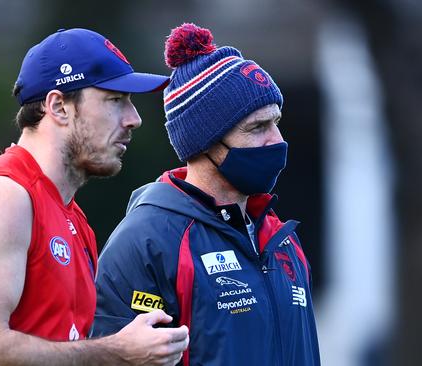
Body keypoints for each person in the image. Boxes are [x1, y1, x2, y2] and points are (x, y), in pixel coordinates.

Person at [0, 28, 189, 366]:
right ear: (59, 107)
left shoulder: (73, 218)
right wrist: (118, 351)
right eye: (115, 100)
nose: (133, 119)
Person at [91, 23, 320, 365]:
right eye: (257, 127)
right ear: (205, 142)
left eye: (276, 122)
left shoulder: (280, 238)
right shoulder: (147, 242)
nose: (277, 140)